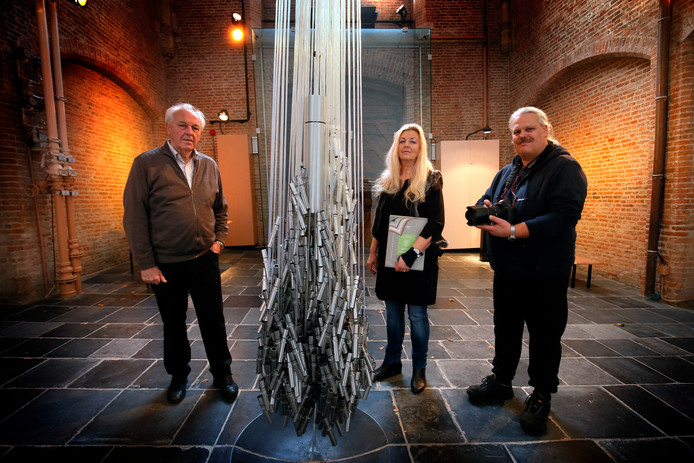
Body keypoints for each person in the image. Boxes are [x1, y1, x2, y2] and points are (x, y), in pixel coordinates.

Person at [466, 107, 587, 434]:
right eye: (517, 131)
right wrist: (485, 209)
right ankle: (501, 382)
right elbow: (488, 197)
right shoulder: (508, 171)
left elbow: (564, 217)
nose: (523, 136)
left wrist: (515, 230)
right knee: (504, 328)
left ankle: (541, 395)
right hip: (508, 269)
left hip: (545, 272)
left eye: (529, 129)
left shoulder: (565, 168)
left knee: (546, 335)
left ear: (545, 129)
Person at [123, 103, 238, 404]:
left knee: (213, 321)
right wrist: (146, 263)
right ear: (168, 128)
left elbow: (221, 209)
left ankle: (223, 375)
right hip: (166, 265)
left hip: (204, 259)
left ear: (201, 133)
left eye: (195, 127)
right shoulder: (146, 164)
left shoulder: (209, 165)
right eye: (183, 125)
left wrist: (219, 241)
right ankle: (178, 376)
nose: (189, 132)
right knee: (173, 324)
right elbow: (135, 216)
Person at [367, 123, 445, 394]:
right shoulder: (389, 181)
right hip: (390, 259)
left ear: (420, 146)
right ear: (396, 147)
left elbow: (435, 224)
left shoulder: (431, 179)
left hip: (419, 260)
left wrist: (410, 256)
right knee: (392, 314)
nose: (407, 145)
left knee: (417, 315)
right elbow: (380, 223)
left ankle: (420, 369)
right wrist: (373, 252)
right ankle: (392, 364)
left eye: (413, 141)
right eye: (402, 141)